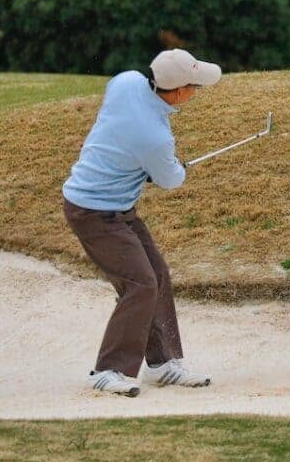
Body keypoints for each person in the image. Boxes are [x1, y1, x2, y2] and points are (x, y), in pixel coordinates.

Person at [62, 49, 221, 397]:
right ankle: (108, 370)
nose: (196, 92)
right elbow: (171, 180)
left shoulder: (127, 81)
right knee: (140, 282)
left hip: (118, 208)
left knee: (157, 274)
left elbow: (124, 131)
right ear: (178, 92)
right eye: (194, 86)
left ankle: (163, 363)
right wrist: (170, 165)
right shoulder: (155, 138)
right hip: (93, 213)